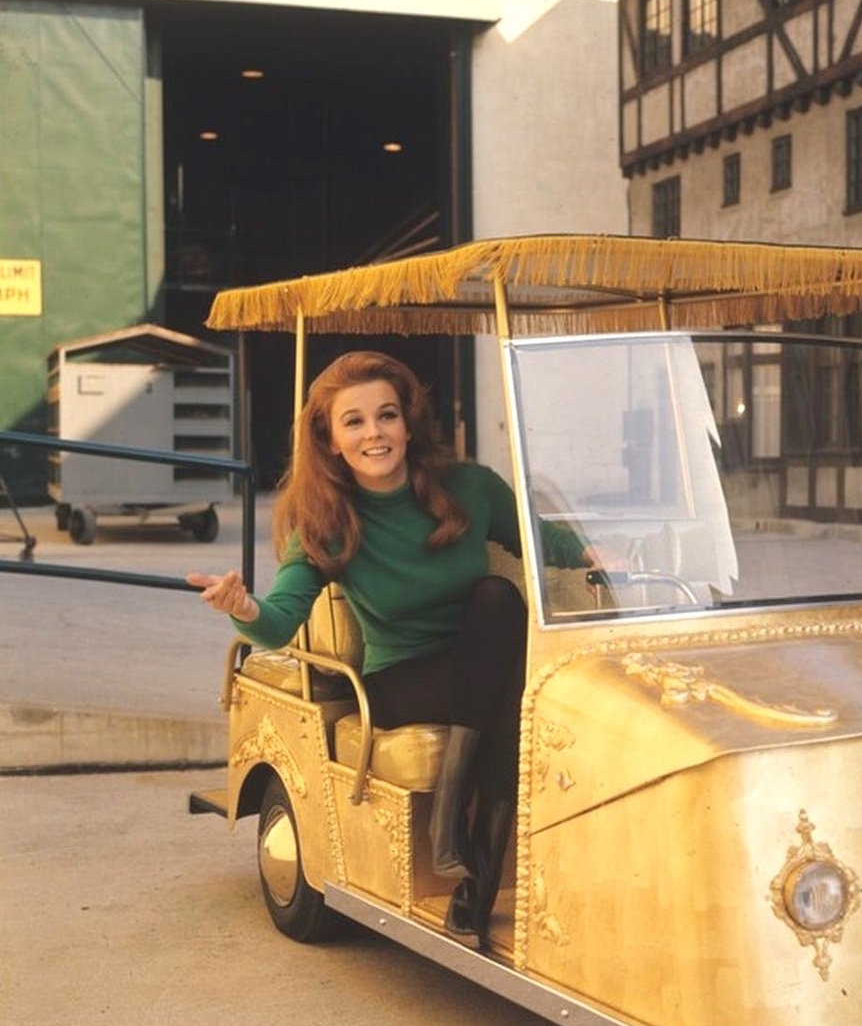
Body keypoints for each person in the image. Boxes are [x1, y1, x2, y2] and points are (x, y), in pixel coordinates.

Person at [188, 350, 592, 949]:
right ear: (329, 440)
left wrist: (605, 554)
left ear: (408, 423)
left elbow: (542, 540)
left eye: (386, 415)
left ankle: (461, 855)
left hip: (480, 665)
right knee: (508, 647)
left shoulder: (470, 488)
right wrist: (242, 608)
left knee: (498, 609)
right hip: (399, 682)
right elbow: (279, 624)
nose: (375, 433)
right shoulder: (328, 519)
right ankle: (469, 876)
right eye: (354, 422)